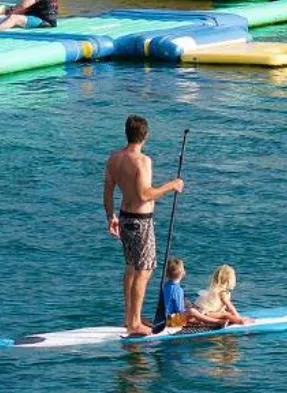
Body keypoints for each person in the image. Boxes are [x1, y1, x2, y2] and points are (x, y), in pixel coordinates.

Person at [104, 114, 185, 336]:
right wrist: (172, 185)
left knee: (131, 267)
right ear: (145, 136)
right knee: (144, 270)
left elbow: (108, 191)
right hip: (141, 221)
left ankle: (129, 317)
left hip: (124, 218)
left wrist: (110, 216)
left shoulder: (114, 159)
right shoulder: (142, 161)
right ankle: (135, 323)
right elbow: (145, 195)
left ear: (126, 133)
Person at [180, 264, 252, 330]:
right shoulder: (223, 292)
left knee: (224, 313)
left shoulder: (212, 289)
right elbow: (230, 307)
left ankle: (200, 322)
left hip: (199, 312)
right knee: (226, 315)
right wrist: (239, 318)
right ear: (230, 280)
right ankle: (241, 322)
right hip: (205, 313)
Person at [158, 258, 190, 328]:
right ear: (183, 273)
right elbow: (180, 310)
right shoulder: (178, 290)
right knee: (193, 312)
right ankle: (213, 321)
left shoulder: (165, 286)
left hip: (163, 319)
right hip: (172, 321)